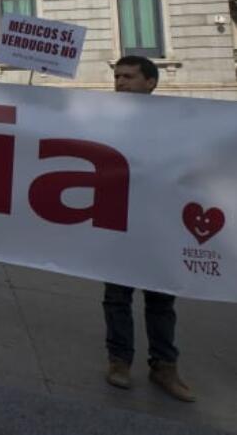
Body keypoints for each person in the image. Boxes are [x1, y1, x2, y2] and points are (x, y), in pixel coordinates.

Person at [102, 56, 195, 402]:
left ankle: (165, 366)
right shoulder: (106, 119)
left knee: (160, 299)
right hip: (118, 222)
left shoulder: (174, 122)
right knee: (116, 297)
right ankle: (119, 361)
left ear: (151, 82)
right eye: (117, 76)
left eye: (128, 76)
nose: (120, 82)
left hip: (159, 224)